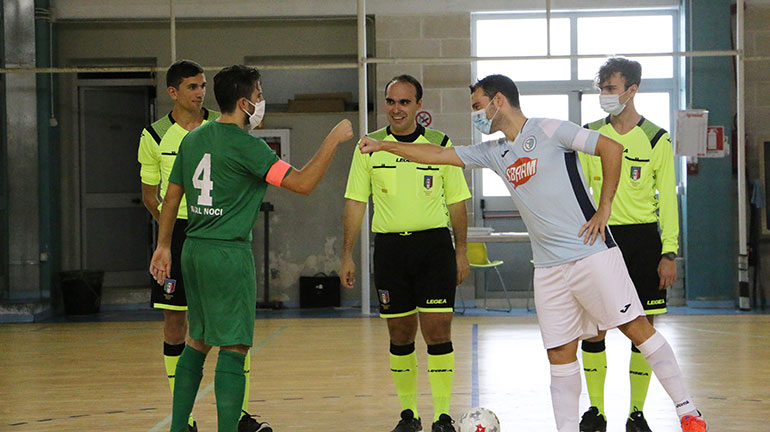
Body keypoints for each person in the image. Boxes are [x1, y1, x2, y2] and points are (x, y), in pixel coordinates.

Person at [357, 74, 708, 432]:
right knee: (559, 353)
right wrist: (384, 147)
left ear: (498, 102)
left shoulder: (550, 129)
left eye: (478, 107)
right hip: (548, 269)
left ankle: (687, 411)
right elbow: (436, 154)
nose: (476, 116)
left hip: (591, 254)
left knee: (636, 327)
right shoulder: (494, 152)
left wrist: (604, 210)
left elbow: (610, 149)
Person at [149, 64, 353, 432]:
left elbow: (171, 196)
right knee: (234, 347)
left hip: (192, 250)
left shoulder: (192, 139)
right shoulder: (249, 147)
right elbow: (303, 183)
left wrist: (164, 246)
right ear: (244, 103)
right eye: (259, 96)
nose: (262, 103)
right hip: (228, 255)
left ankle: (179, 428)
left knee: (196, 340)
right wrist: (333, 140)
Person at [139, 59, 265, 432]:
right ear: (173, 92)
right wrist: (165, 238)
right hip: (179, 232)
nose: (199, 94)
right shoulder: (155, 134)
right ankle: (187, 418)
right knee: (178, 324)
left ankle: (237, 414)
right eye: (192, 87)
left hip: (212, 230)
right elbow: (152, 195)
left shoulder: (219, 125)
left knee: (227, 331)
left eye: (203, 86)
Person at [340, 74, 471, 432]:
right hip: (390, 250)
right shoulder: (369, 146)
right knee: (399, 334)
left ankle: (442, 417)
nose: (396, 109)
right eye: (391, 101)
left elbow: (458, 203)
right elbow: (355, 202)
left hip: (433, 249)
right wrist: (346, 254)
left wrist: (462, 252)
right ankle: (408, 414)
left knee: (438, 331)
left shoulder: (440, 145)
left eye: (404, 102)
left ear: (419, 106)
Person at [577, 57, 680, 432]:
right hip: (601, 240)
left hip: (642, 240)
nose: (604, 95)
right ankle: (596, 411)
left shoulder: (656, 138)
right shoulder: (589, 135)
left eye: (610, 88)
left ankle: (637, 413)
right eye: (601, 89)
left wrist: (669, 251)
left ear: (631, 90)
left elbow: (667, 198)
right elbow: (579, 193)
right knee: (594, 328)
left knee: (643, 328)